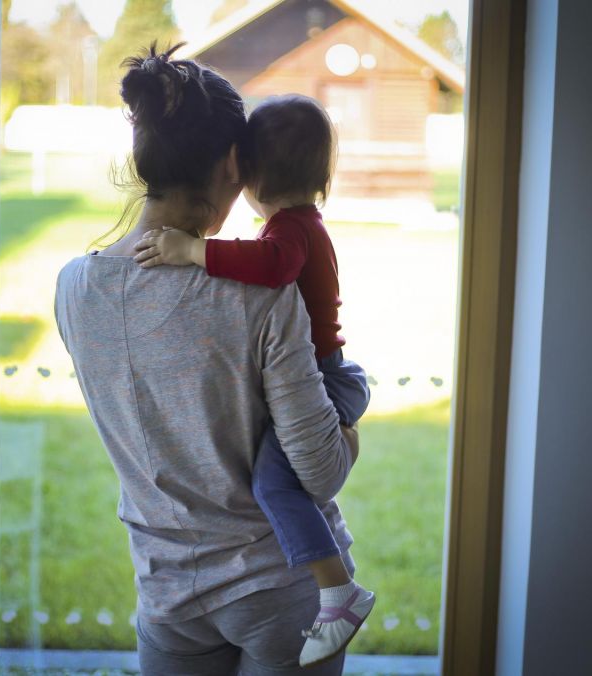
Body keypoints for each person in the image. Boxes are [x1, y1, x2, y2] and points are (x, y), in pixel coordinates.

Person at [55, 43, 359, 674]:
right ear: (231, 163)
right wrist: (350, 429)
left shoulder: (73, 288)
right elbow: (320, 470)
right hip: (284, 594)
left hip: (166, 595)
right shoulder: (260, 299)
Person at [133, 93, 375, 667]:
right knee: (275, 480)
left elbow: (272, 268)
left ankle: (339, 592)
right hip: (326, 375)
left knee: (275, 485)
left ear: (249, 171)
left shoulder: (289, 232)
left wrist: (193, 250)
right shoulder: (301, 223)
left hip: (324, 378)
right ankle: (334, 585)